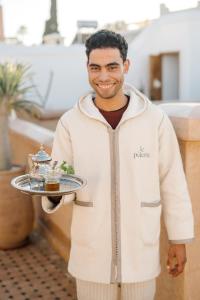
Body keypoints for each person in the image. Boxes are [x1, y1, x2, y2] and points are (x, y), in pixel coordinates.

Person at [42, 30, 194, 300]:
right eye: (95, 68)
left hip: (141, 251)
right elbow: (60, 179)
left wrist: (179, 239)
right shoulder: (70, 123)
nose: (103, 76)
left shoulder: (155, 120)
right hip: (91, 254)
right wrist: (53, 191)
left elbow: (173, 182)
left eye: (112, 66)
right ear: (87, 68)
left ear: (126, 65)